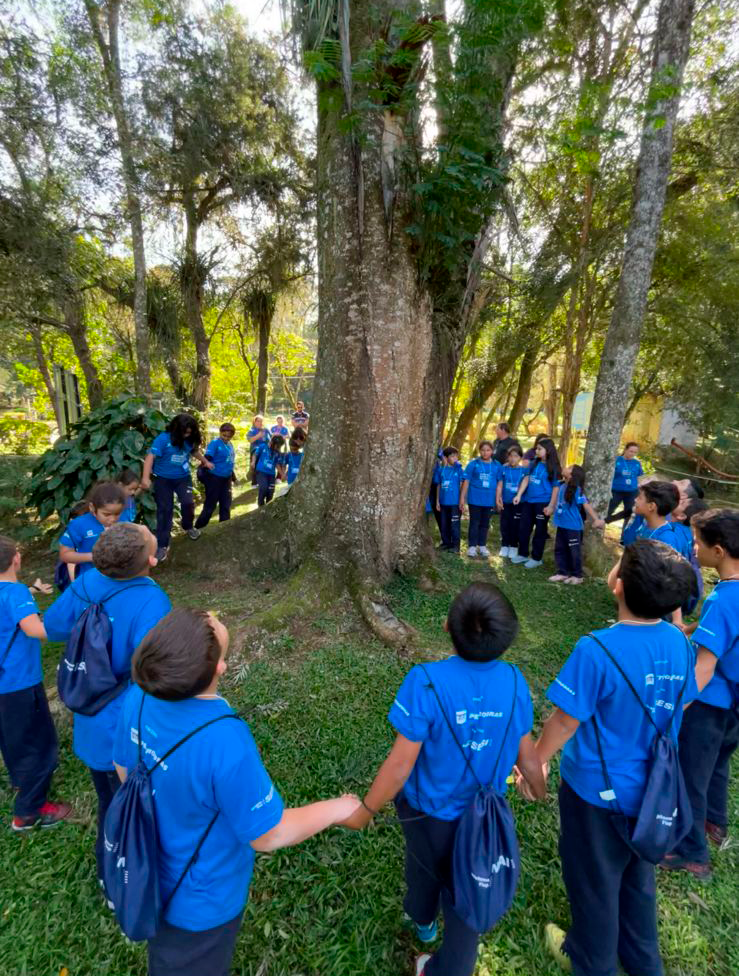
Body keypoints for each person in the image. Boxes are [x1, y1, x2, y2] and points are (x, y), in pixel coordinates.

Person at [113, 607, 359, 976]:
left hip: (143, 862)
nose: (212, 614)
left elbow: (122, 768)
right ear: (219, 670)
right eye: (212, 622)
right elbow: (268, 833)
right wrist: (339, 807)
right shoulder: (225, 741)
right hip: (199, 902)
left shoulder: (140, 695)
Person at [341, 583, 546, 976]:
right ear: (509, 638)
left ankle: (425, 926)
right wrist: (537, 788)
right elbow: (528, 754)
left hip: (427, 815)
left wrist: (366, 810)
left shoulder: (426, 681)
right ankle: (442, 930)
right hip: (484, 818)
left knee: (423, 870)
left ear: (446, 627)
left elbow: (401, 766)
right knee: (467, 886)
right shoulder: (516, 682)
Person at [530, 540, 696, 976]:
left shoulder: (597, 649)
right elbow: (681, 704)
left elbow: (566, 722)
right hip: (655, 791)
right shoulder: (680, 644)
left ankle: (592, 960)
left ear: (618, 585)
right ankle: (644, 963)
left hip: (596, 798)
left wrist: (536, 760)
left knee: (595, 882)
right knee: (638, 879)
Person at [45, 522, 172, 893]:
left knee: (108, 800)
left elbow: (52, 627)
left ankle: (109, 871)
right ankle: (128, 879)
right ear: (151, 559)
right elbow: (154, 671)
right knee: (133, 807)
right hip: (129, 723)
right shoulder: (153, 601)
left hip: (90, 719)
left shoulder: (86, 583)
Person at [661, 510, 739, 881]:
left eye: (698, 543)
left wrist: (678, 708)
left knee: (691, 774)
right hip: (734, 708)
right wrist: (689, 627)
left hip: (712, 703)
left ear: (719, 551)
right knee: (718, 764)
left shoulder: (722, 600)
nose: (694, 548)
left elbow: (705, 668)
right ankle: (715, 822)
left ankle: (690, 852)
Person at [0, 536, 71, 831]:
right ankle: (28, 813)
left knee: (12, 740)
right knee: (39, 744)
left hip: (3, 686)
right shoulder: (15, 593)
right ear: (16, 559)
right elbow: (34, 630)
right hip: (19, 681)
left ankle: (21, 783)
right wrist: (72, 629)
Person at [141, 414, 214, 561]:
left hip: (182, 478)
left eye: (190, 432)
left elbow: (193, 451)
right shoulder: (163, 439)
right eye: (185, 432)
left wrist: (205, 461)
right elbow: (150, 457)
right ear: (176, 428)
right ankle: (162, 545)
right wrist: (145, 478)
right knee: (165, 510)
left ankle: (188, 526)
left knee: (188, 503)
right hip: (163, 480)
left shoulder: (189, 439)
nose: (187, 435)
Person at [547, 465, 605, 585]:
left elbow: (586, 505)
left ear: (573, 475)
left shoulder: (577, 490)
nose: (565, 467)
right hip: (562, 524)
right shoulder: (562, 485)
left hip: (573, 526)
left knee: (574, 550)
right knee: (560, 549)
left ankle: (577, 575)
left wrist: (596, 519)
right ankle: (562, 572)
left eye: (569, 468)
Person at [59, 482, 127, 580]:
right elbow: (65, 555)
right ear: (92, 508)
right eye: (106, 514)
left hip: (120, 579)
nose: (112, 519)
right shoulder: (78, 525)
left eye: (117, 514)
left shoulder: (124, 521)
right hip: (90, 580)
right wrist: (93, 556)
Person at [511, 437, 560, 569]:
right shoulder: (533, 463)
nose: (536, 450)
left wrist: (551, 505)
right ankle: (522, 554)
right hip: (528, 501)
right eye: (536, 448)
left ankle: (536, 558)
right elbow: (526, 478)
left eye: (539, 449)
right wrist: (519, 495)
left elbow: (556, 488)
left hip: (543, 503)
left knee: (540, 531)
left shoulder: (554, 467)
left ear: (548, 450)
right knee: (523, 528)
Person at [459, 440, 501, 559]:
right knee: (474, 522)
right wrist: (462, 498)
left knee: (485, 523)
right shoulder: (473, 464)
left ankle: (482, 545)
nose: (485, 452)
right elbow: (466, 482)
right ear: (479, 451)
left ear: (492, 451)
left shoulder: (497, 465)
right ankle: (472, 546)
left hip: (489, 499)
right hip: (475, 498)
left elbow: (499, 483)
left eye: (488, 450)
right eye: (483, 450)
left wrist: (498, 499)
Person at [195, 423, 236, 530]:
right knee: (210, 506)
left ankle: (224, 527)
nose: (226, 438)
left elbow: (229, 462)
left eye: (229, 436)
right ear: (220, 433)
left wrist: (234, 478)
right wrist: (204, 466)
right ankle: (198, 528)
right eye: (224, 435)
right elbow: (207, 458)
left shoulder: (230, 445)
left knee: (226, 505)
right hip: (214, 479)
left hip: (226, 479)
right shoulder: (215, 443)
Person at [496, 445, 525, 559]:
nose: (513, 459)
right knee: (504, 523)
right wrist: (498, 498)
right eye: (511, 456)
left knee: (515, 524)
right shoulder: (503, 468)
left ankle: (513, 546)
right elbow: (499, 485)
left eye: (516, 456)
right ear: (508, 457)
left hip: (518, 503)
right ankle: (504, 545)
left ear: (520, 458)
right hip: (505, 501)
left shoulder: (524, 470)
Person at [605, 442, 643, 526]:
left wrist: (639, 488)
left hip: (632, 491)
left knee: (629, 513)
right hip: (616, 491)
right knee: (609, 510)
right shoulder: (616, 460)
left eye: (635, 452)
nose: (632, 454)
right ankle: (603, 522)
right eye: (631, 451)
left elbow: (639, 477)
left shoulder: (637, 463)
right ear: (625, 449)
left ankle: (624, 535)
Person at [436, 447, 464, 552]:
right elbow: (439, 485)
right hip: (443, 502)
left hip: (455, 503)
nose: (455, 458)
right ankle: (446, 543)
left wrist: (462, 501)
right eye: (452, 456)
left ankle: (456, 546)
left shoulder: (459, 469)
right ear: (446, 458)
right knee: (444, 524)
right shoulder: (441, 470)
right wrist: (437, 501)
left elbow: (463, 485)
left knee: (454, 525)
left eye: (456, 456)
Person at [251, 434, 287, 507]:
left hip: (271, 474)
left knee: (270, 491)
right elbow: (255, 454)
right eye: (277, 446)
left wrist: (282, 474)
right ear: (272, 443)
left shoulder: (277, 452)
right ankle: (260, 505)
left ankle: (268, 506)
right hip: (261, 472)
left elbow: (277, 464)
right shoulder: (263, 446)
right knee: (264, 487)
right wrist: (253, 462)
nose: (278, 448)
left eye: (279, 446)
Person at [246, 415, 270, 486]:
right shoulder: (252, 430)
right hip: (255, 451)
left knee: (264, 466)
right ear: (254, 422)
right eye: (258, 421)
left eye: (261, 421)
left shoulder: (266, 430)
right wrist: (258, 435)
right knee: (255, 466)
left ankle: (263, 481)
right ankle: (254, 483)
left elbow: (270, 439)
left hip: (265, 451)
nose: (259, 423)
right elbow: (250, 440)